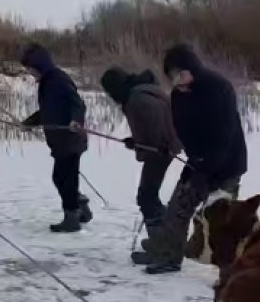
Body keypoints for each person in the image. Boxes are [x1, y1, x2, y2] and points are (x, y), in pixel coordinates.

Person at [138, 43, 247, 274]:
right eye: (172, 75)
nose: (177, 79)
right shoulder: (178, 96)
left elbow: (224, 135)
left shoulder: (219, 88)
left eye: (181, 73)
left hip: (226, 165)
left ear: (192, 69)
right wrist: (194, 164)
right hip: (197, 163)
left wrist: (206, 171)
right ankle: (168, 256)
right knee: (178, 207)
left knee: (221, 219)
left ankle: (230, 270)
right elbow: (184, 130)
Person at [99, 66, 183, 243]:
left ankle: (162, 243)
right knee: (149, 195)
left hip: (160, 151)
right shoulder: (145, 90)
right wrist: (137, 141)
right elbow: (154, 125)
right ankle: (166, 237)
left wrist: (153, 145)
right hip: (163, 148)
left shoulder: (137, 99)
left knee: (146, 197)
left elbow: (157, 124)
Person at [19, 43, 90, 233]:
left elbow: (78, 103)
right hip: (61, 141)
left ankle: (72, 217)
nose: (30, 73)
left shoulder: (58, 79)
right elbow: (48, 112)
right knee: (62, 177)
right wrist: (29, 123)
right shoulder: (47, 83)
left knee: (64, 178)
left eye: (31, 68)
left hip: (70, 139)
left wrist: (76, 121)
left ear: (40, 65)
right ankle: (79, 205)